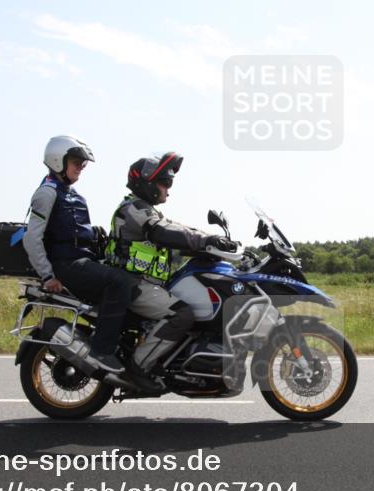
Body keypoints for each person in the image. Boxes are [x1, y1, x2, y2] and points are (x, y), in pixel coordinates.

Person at [23, 135, 159, 390]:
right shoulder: (47, 193)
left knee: (129, 279)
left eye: (82, 163)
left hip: (82, 261)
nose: (80, 167)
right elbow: (32, 238)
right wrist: (47, 276)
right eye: (76, 161)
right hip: (67, 266)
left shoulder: (72, 195)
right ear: (57, 160)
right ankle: (101, 351)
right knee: (119, 282)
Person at [107, 152, 237, 376]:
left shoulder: (145, 209)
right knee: (182, 314)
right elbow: (163, 232)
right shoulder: (134, 209)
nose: (168, 188)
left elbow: (177, 228)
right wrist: (206, 240)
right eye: (165, 182)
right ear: (147, 182)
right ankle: (138, 369)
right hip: (133, 284)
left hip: (146, 283)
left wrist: (209, 241)